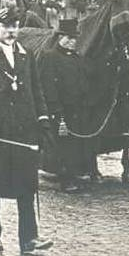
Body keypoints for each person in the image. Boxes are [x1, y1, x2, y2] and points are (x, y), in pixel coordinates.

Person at [0, 7, 54, 255]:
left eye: (14, 25)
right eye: (5, 26)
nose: (11, 31)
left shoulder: (26, 56)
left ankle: (29, 239)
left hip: (23, 132)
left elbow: (37, 91)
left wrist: (43, 120)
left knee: (26, 186)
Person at [35, 18, 90, 192]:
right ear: (61, 38)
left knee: (74, 145)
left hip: (76, 109)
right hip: (59, 110)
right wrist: (55, 109)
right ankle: (66, 179)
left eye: (75, 39)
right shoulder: (49, 57)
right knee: (62, 145)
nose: (73, 42)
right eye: (70, 38)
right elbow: (47, 86)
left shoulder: (77, 58)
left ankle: (73, 174)